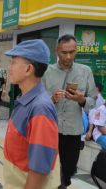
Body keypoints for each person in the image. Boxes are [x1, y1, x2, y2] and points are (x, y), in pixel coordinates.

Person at [42, 34, 97, 188]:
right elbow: (38, 101)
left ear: (76, 51)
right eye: (63, 52)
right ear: (56, 51)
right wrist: (51, 99)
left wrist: (82, 100)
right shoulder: (47, 72)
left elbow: (93, 101)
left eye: (72, 52)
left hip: (73, 132)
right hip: (50, 131)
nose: (68, 56)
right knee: (48, 171)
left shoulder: (85, 71)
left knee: (67, 173)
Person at [3, 39, 60, 189]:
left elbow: (39, 170)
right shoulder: (28, 100)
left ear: (28, 69)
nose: (9, 67)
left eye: (14, 62)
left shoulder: (40, 108)